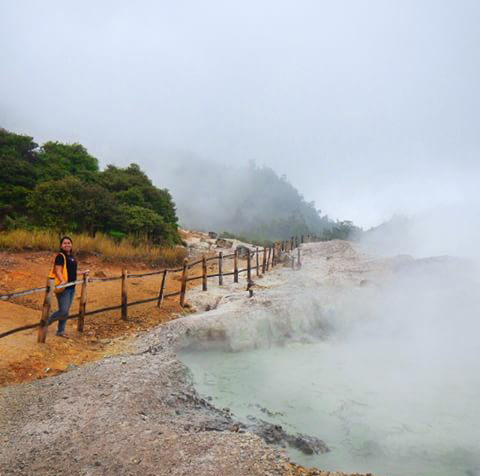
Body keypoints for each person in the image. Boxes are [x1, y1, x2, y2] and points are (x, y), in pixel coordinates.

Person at [48, 236, 87, 338]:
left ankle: (61, 331)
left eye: (69, 243)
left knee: (65, 311)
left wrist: (83, 272)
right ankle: (46, 322)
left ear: (71, 245)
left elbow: (72, 272)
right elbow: (58, 270)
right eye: (65, 243)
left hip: (71, 287)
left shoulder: (71, 257)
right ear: (61, 245)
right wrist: (62, 281)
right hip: (63, 287)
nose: (67, 244)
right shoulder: (60, 256)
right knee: (63, 311)